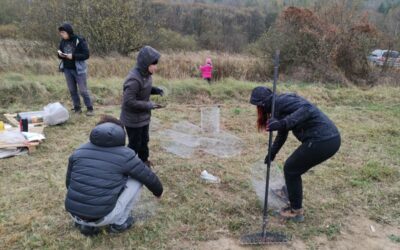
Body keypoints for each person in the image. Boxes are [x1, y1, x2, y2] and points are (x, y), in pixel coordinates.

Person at [250, 86, 341, 222]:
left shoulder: (282, 101)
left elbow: (307, 109)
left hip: (323, 140)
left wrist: (283, 122)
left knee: (291, 169)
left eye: (257, 106)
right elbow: (282, 134)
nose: (257, 109)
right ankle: (288, 192)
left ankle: (296, 211)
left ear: (262, 104)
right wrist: (272, 153)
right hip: (326, 139)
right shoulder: (277, 107)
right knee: (294, 167)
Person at [65, 115, 163, 236]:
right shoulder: (126, 155)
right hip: (102, 218)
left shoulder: (79, 151)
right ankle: (119, 223)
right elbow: (147, 176)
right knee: (137, 180)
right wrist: (158, 192)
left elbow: (68, 183)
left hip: (74, 214)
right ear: (121, 135)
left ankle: (85, 226)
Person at [120, 46, 164, 167]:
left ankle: (144, 162)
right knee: (134, 145)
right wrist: (149, 105)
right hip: (132, 119)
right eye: (154, 64)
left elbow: (144, 89)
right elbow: (128, 101)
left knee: (144, 141)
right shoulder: (133, 79)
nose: (156, 67)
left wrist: (155, 90)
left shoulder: (147, 74)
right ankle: (126, 165)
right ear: (146, 64)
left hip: (143, 117)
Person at [58, 22, 94, 116]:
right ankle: (77, 108)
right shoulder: (62, 41)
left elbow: (86, 55)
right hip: (67, 69)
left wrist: (73, 56)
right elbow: (60, 52)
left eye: (63, 33)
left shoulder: (79, 40)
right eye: (61, 33)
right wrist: (60, 54)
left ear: (68, 32)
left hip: (79, 70)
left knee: (83, 90)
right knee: (72, 90)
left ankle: (90, 109)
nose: (62, 35)